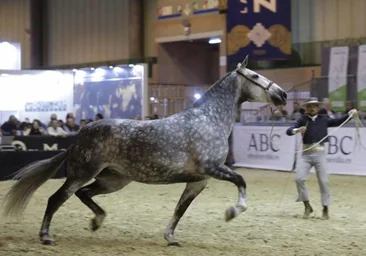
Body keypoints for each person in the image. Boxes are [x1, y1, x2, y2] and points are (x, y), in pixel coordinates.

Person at [286, 97, 358, 219]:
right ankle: (307, 205)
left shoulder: (324, 119)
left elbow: (339, 121)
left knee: (323, 181)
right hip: (306, 154)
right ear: (306, 108)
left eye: (314, 106)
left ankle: (325, 208)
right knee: (299, 179)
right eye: (309, 106)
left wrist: (350, 113)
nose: (312, 108)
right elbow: (289, 131)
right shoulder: (302, 120)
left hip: (320, 153)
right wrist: (297, 130)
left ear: (318, 108)